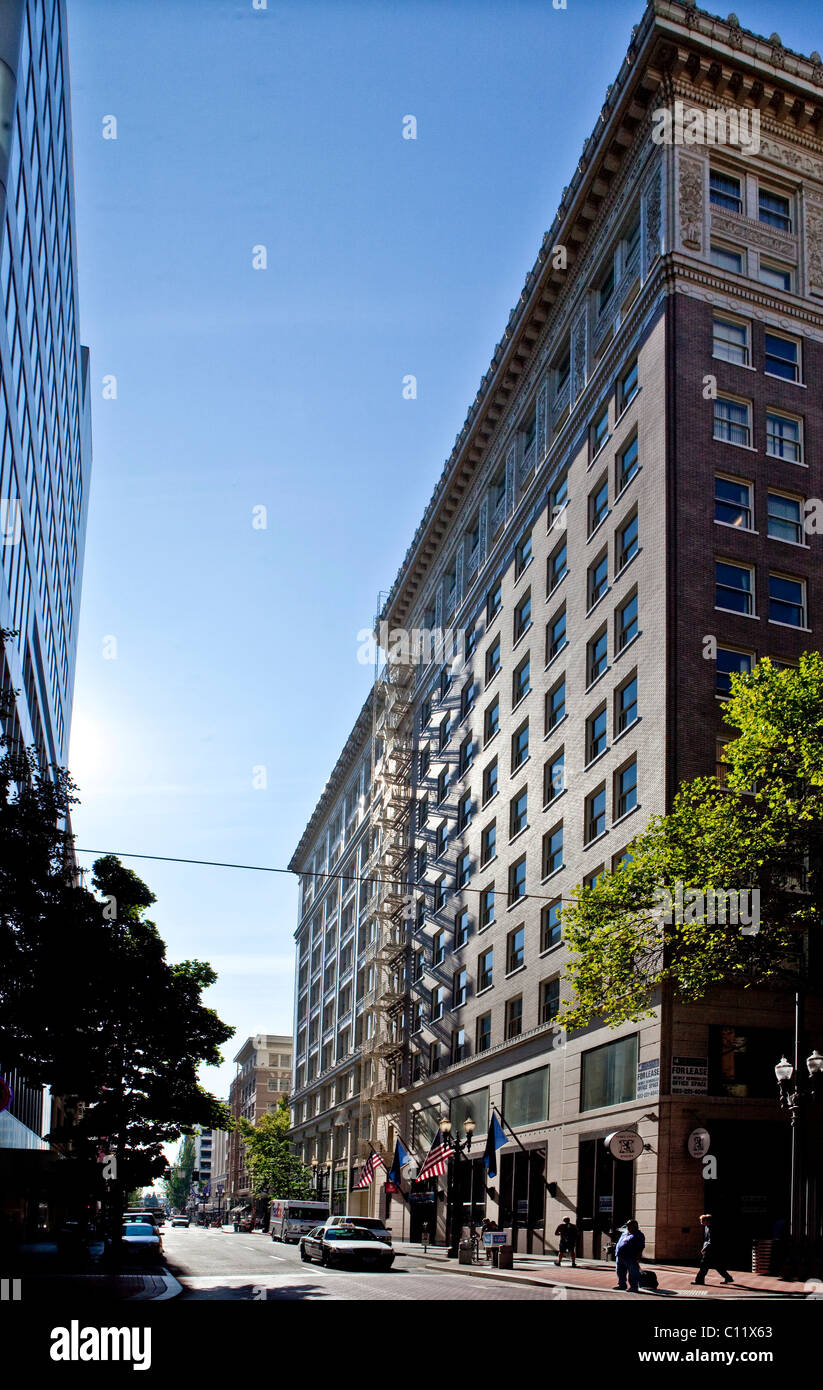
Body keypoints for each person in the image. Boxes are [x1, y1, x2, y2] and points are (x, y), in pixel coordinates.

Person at [692, 1214, 733, 1285]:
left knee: (704, 1265)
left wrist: (704, 1249)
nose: (700, 1221)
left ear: (706, 1220)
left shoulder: (711, 1228)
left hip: (710, 1250)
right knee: (717, 1265)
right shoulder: (706, 1227)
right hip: (711, 1250)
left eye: (702, 1220)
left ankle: (699, 1281)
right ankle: (728, 1278)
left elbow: (711, 1241)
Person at [614, 1219, 645, 1292]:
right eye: (627, 1225)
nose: (627, 1227)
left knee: (633, 1272)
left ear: (635, 1226)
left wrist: (638, 1256)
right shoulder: (625, 1233)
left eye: (629, 1225)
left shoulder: (638, 1235)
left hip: (630, 1257)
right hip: (620, 1255)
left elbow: (641, 1246)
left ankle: (634, 1287)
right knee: (620, 1271)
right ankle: (622, 1285)